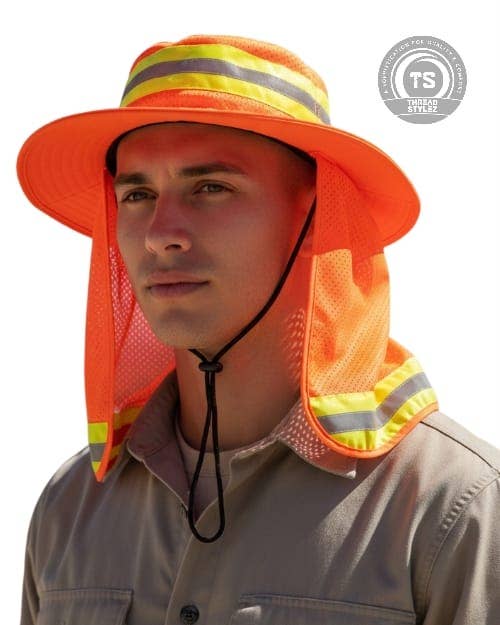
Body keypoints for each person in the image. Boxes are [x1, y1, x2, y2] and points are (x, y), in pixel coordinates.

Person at [17, 34, 499, 625]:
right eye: (137, 194)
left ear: (317, 216)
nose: (160, 233)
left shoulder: (451, 508)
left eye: (210, 187)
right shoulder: (69, 509)